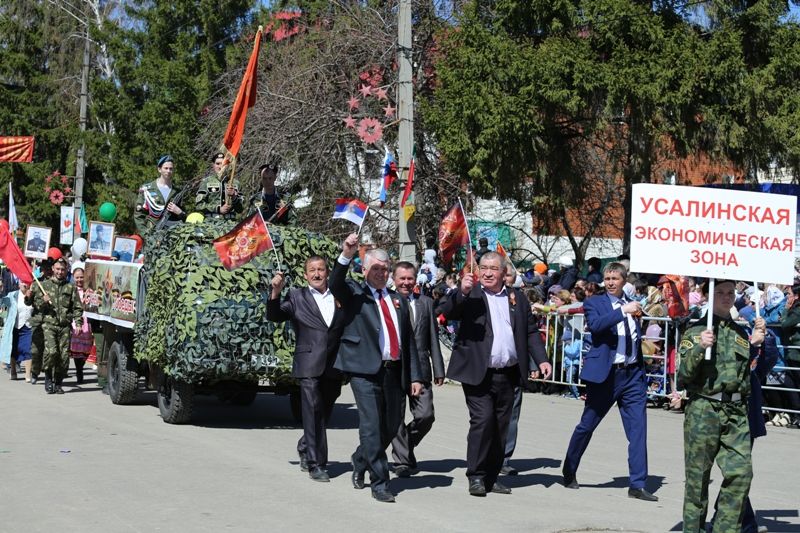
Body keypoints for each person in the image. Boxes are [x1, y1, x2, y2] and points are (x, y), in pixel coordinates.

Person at [438, 251, 550, 497]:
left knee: (501, 426)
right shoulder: (471, 294)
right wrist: (462, 291)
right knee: (483, 420)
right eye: (483, 268)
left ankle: (492, 475)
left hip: (508, 372)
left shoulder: (516, 298)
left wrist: (541, 360)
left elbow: (530, 331)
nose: (487, 272)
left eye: (493, 268)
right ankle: (476, 476)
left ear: (503, 273)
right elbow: (447, 310)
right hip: (478, 372)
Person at [329, 233, 423, 503]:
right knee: (371, 426)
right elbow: (335, 282)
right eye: (376, 269)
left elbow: (409, 342)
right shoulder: (354, 294)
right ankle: (380, 481)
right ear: (365, 270)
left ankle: (360, 460)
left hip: (393, 371)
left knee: (391, 426)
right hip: (363, 371)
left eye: (385, 269)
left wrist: (415, 375)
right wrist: (347, 253)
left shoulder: (399, 300)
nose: (382, 274)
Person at [562, 262, 658, 501]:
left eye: (616, 278)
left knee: (638, 430)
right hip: (606, 375)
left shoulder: (632, 302)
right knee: (587, 424)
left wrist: (633, 311)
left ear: (624, 280)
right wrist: (622, 311)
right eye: (608, 278)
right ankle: (570, 468)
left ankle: (637, 484)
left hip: (633, 374)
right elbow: (595, 326)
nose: (611, 282)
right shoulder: (595, 302)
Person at [678, 279, 766, 533]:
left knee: (741, 475)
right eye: (720, 292)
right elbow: (682, 376)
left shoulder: (741, 332)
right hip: (704, 410)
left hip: (736, 412)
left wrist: (757, 342)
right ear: (708, 295)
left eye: (730, 292)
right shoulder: (696, 331)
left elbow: (749, 374)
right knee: (698, 482)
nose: (727, 297)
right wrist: (699, 348)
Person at [267, 256, 344, 482]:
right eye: (312, 270)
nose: (317, 274)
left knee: (325, 411)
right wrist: (275, 292)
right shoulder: (297, 296)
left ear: (327, 273)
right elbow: (274, 316)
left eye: (321, 270)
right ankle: (316, 464)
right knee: (312, 410)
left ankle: (305, 446)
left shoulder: (339, 296)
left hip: (334, 365)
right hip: (309, 363)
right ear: (305, 275)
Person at [390, 261, 445, 477]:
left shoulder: (426, 303)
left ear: (416, 279)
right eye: (401, 278)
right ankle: (402, 460)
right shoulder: (386, 301)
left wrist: (438, 368)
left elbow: (433, 336)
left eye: (409, 278)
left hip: (420, 369)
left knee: (426, 415)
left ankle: (406, 443)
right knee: (395, 417)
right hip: (393, 368)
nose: (405, 282)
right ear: (394, 279)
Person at [26, 258, 83, 394]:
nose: (60, 272)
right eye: (57, 269)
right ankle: (47, 379)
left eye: (62, 270)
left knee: (63, 357)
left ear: (66, 271)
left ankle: (58, 383)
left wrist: (78, 323)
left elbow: (77, 307)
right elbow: (36, 306)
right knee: (51, 352)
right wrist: (42, 301)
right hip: (49, 324)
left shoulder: (70, 287)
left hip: (64, 326)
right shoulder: (44, 285)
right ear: (53, 269)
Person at [134, 155, 187, 236]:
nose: (168, 171)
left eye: (171, 169)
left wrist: (179, 212)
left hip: (171, 236)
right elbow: (138, 215)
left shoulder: (177, 192)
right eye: (166, 168)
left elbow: (184, 217)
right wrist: (145, 235)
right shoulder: (147, 189)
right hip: (151, 233)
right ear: (159, 169)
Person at [195, 152, 243, 219]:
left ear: (227, 164)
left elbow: (240, 209)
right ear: (213, 165)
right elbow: (199, 205)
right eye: (217, 164)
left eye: (223, 163)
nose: (220, 166)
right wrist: (218, 209)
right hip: (211, 224)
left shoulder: (235, 183)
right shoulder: (206, 182)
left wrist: (234, 197)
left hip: (230, 223)